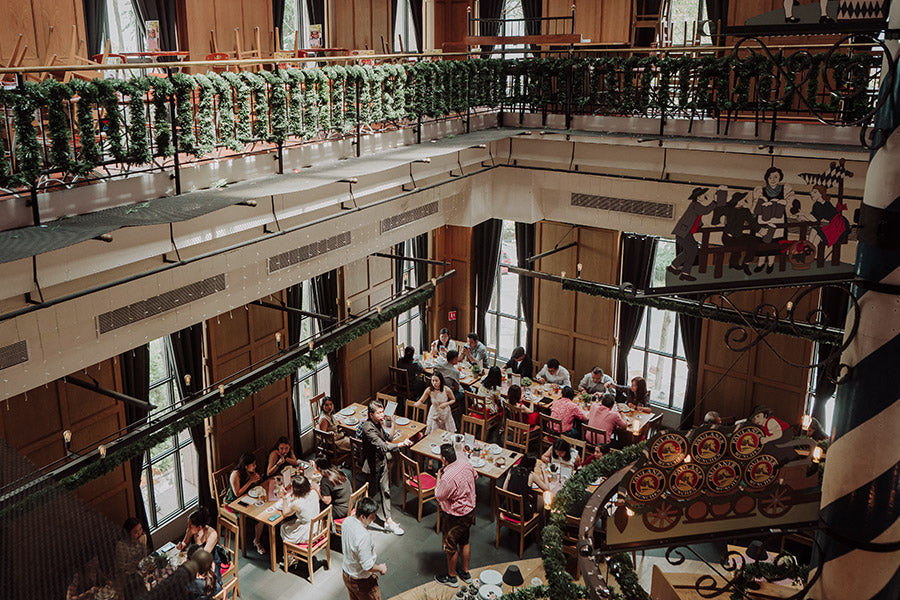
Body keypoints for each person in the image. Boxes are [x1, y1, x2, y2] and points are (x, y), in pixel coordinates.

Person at [361, 401, 412, 535]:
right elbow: (383, 445)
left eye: (382, 411)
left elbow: (388, 437)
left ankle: (388, 521)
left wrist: (393, 423)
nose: (383, 414)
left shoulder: (378, 423)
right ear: (371, 414)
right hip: (372, 466)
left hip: (381, 462)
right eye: (379, 412)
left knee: (386, 490)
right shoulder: (368, 428)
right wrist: (401, 444)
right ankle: (364, 517)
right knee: (370, 494)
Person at [434, 443, 478, 587]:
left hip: (456, 515)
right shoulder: (465, 462)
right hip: (470, 510)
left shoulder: (448, 477)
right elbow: (475, 476)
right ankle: (465, 573)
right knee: (465, 541)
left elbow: (439, 495)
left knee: (450, 546)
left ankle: (451, 577)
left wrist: (438, 477)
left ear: (444, 459)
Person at [667, 186, 719, 281]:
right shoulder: (695, 205)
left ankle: (673, 267)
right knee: (693, 250)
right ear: (698, 197)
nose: (705, 196)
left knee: (689, 251)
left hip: (684, 233)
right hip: (683, 233)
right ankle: (685, 273)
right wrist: (715, 202)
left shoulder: (695, 205)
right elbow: (706, 210)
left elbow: (697, 220)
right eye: (703, 194)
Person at [341, 497, 388, 600]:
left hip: (347, 573)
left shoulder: (347, 521)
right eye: (372, 516)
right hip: (361, 582)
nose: (375, 518)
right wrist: (381, 568)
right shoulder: (363, 536)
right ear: (363, 516)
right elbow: (367, 565)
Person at [753, 167, 793, 273]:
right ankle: (760, 263)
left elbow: (789, 204)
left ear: (780, 178)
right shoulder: (761, 190)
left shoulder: (784, 190)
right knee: (762, 242)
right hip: (763, 219)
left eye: (775, 177)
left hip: (778, 220)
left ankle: (770, 263)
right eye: (770, 177)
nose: (773, 179)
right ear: (767, 178)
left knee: (774, 242)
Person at [225, 452, 266, 554]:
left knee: (261, 512)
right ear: (246, 466)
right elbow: (237, 493)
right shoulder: (235, 474)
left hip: (247, 497)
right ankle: (253, 542)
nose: (255, 466)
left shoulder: (249, 472)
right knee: (256, 515)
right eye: (253, 465)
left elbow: (251, 487)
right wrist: (250, 481)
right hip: (234, 502)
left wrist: (256, 480)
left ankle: (257, 539)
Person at [719, 191, 761, 275]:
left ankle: (745, 262)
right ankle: (735, 263)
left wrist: (760, 229)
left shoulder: (744, 211)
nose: (745, 201)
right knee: (740, 242)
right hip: (729, 237)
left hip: (737, 236)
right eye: (743, 199)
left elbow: (751, 222)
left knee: (751, 240)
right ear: (738, 200)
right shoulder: (730, 210)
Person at [501, 454, 548, 519]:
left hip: (507, 509)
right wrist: (543, 471)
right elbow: (546, 488)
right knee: (533, 505)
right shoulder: (531, 475)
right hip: (523, 514)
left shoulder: (512, 470)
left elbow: (504, 489)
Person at [280, 474, 321, 544]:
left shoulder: (296, 504)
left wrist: (283, 497)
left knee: (283, 527)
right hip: (318, 528)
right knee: (292, 522)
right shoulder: (314, 493)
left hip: (308, 533)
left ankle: (291, 551)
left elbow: (285, 513)